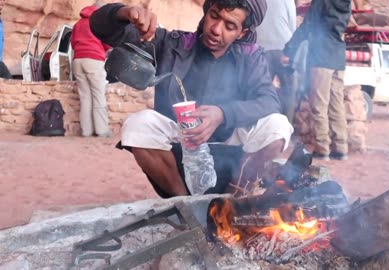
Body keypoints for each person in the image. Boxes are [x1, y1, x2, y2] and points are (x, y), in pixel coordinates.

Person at [89, 0, 294, 198]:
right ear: (206, 12)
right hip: (180, 142)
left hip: (232, 146)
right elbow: (100, 28)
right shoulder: (172, 43)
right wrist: (123, 12)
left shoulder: (251, 57)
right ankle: (184, 202)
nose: (216, 29)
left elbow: (269, 101)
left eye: (229, 26)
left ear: (242, 33)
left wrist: (223, 114)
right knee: (137, 125)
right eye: (214, 16)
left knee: (278, 125)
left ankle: (233, 200)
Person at [283, 0, 351, 161]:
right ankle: (341, 148)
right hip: (338, 56)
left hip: (322, 57)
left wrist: (289, 49)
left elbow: (307, 25)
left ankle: (322, 148)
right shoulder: (346, 3)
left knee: (319, 105)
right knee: (337, 104)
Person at [71, 4, 112, 137]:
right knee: (98, 96)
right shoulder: (99, 23)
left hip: (78, 60)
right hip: (93, 60)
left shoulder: (78, 24)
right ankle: (102, 130)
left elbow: (72, 43)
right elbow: (107, 43)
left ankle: (86, 131)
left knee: (85, 97)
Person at [255, 0, 296, 123]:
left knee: (262, 91)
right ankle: (287, 125)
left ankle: (265, 125)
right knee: (289, 91)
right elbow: (292, 25)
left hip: (262, 48)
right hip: (284, 49)